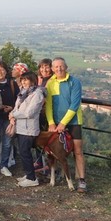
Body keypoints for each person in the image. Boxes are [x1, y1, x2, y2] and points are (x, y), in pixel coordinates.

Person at [45, 57, 87, 193]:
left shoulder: (74, 82)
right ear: (52, 69)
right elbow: (49, 105)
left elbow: (75, 105)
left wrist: (63, 123)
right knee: (54, 150)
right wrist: (51, 122)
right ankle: (57, 173)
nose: (59, 69)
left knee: (77, 151)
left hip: (73, 121)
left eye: (61, 66)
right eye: (56, 67)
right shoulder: (50, 83)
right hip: (55, 122)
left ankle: (82, 180)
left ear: (66, 66)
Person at [9, 71, 45, 187]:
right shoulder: (23, 93)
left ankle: (32, 178)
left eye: (26, 80)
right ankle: (29, 174)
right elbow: (17, 107)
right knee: (23, 152)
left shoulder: (37, 94)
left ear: (33, 81)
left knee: (25, 152)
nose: (23, 82)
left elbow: (29, 113)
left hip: (29, 129)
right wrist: (12, 114)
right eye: (22, 80)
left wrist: (14, 115)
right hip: (21, 127)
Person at [0, 61, 18, 177]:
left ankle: (4, 165)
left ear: (6, 71)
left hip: (8, 118)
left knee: (7, 143)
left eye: (2, 70)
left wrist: (11, 108)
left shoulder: (12, 84)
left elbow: (18, 100)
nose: (0, 72)